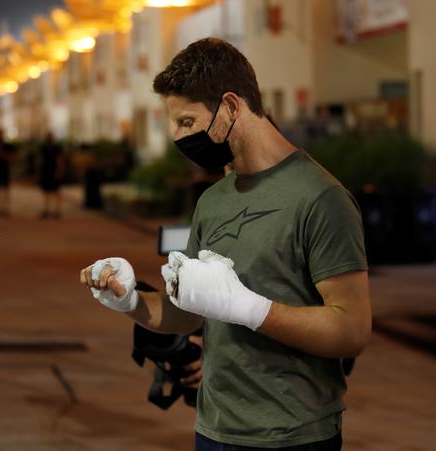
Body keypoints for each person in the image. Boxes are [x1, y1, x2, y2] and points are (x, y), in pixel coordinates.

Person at [80, 37, 370, 451]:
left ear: (231, 107)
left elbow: (351, 330)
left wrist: (250, 308)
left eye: (186, 122)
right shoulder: (214, 200)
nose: (179, 138)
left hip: (293, 437)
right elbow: (192, 314)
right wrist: (129, 300)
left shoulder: (320, 197)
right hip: (213, 430)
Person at [38, 131, 65, 218]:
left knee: (56, 191)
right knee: (46, 191)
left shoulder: (57, 148)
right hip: (46, 171)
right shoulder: (43, 147)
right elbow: (41, 160)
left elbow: (60, 159)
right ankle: (47, 209)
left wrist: (59, 171)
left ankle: (57, 210)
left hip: (54, 171)